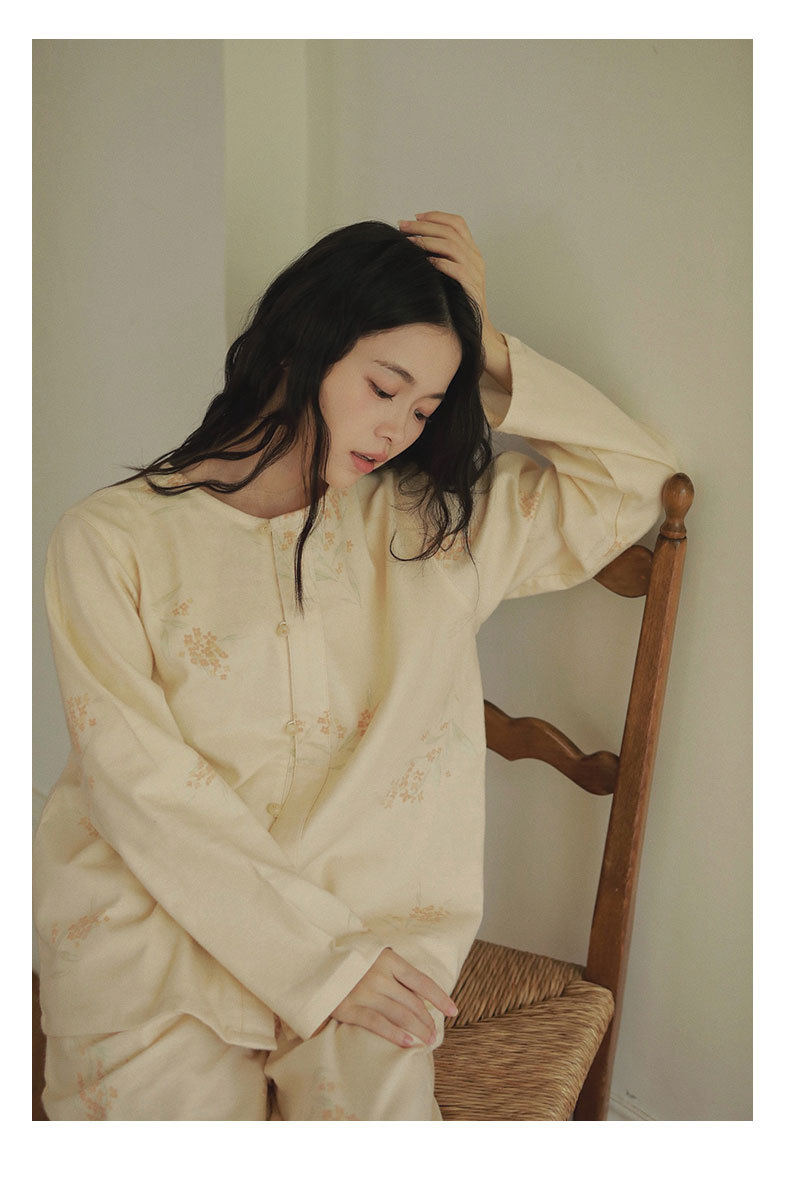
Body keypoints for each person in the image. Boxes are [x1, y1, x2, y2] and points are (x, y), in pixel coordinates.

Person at [33, 211, 679, 1120]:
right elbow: (135, 780)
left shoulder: (433, 532)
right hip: (159, 938)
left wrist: (488, 344)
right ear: (303, 343)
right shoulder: (111, 539)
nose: (397, 430)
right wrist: (314, 963)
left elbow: (634, 482)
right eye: (384, 387)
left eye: (424, 409)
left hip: (373, 937)